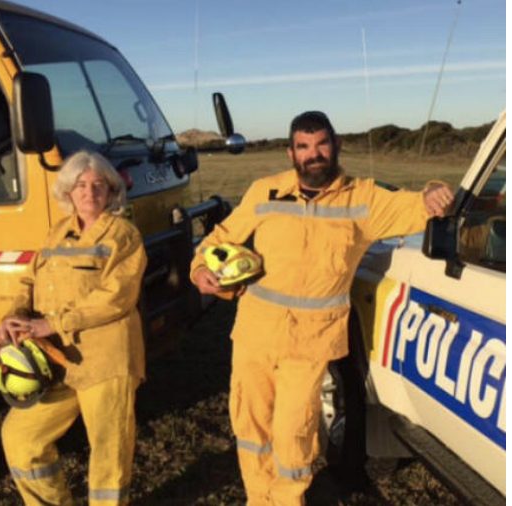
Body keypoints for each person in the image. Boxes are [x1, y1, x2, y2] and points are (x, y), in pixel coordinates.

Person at [190, 111, 454, 506]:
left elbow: (421, 204)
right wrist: (199, 270)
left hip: (311, 343)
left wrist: (435, 188)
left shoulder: (363, 198)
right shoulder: (265, 192)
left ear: (336, 145)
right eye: (303, 147)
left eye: (321, 144)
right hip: (254, 335)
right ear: (290, 152)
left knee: (294, 433)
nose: (313, 155)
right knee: (250, 425)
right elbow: (219, 239)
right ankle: (258, 499)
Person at [0, 150, 147, 506]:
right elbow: (29, 281)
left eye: (98, 185)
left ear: (111, 192)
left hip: (107, 363)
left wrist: (52, 324)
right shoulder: (57, 233)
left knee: (109, 456)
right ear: (68, 191)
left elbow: (117, 298)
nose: (89, 192)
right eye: (80, 184)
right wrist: (13, 315)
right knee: (21, 439)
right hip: (57, 361)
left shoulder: (123, 235)